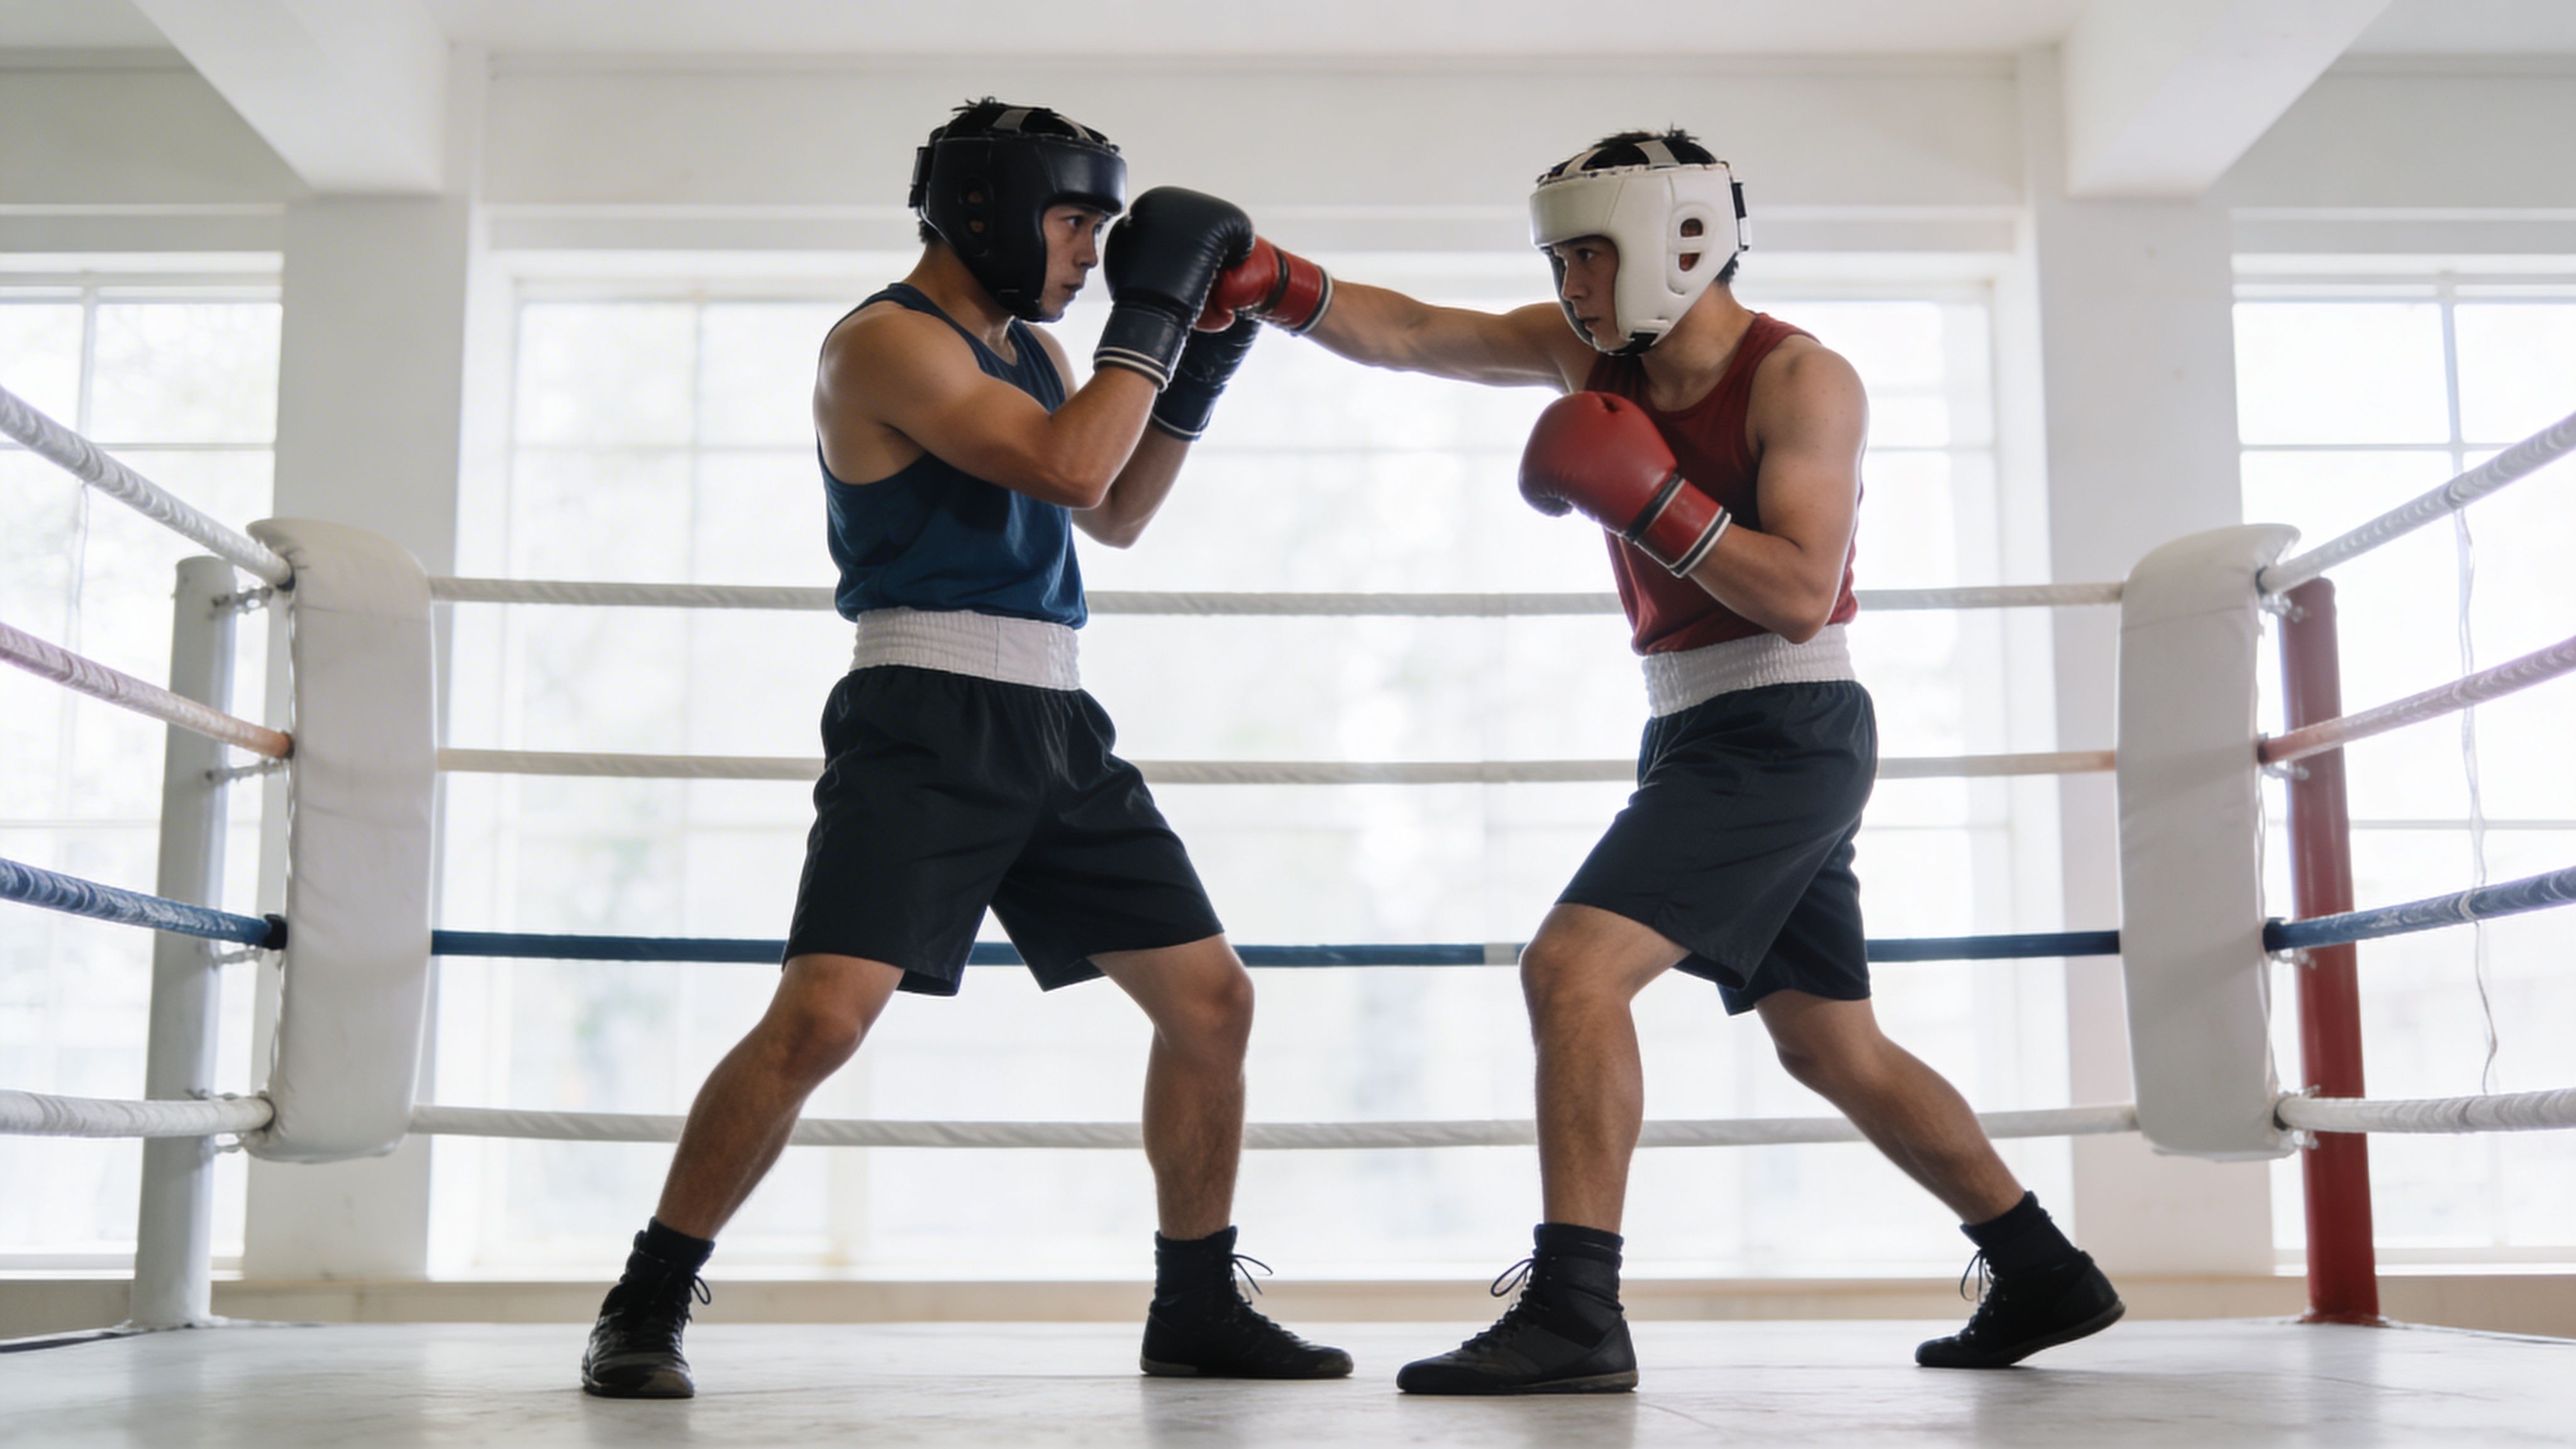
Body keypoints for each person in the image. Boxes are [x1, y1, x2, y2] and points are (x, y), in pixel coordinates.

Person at [1201, 129, 2124, 1393]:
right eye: (1559, 260)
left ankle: (1576, 1311)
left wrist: (1648, 499)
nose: (1571, 284)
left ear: (1670, 243)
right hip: (1695, 725)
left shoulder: (1803, 379)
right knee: (1827, 1044)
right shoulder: (1584, 356)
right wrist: (1269, 281)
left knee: (1571, 972)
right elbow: (1414, 332)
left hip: (1785, 724)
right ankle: (2041, 1271)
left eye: (1586, 255)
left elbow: (1801, 592)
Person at [579, 99, 1351, 1399]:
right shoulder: (884, 343)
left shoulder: (1042, 359)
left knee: (1211, 999)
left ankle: (1196, 1302)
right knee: (822, 1019)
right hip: (924, 713)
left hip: (1056, 716)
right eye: (1072, 220)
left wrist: (1198, 365)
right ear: (985, 208)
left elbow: (1110, 513)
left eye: (1106, 230)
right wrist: (1153, 324)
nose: (1090, 254)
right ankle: (643, 1302)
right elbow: (1059, 472)